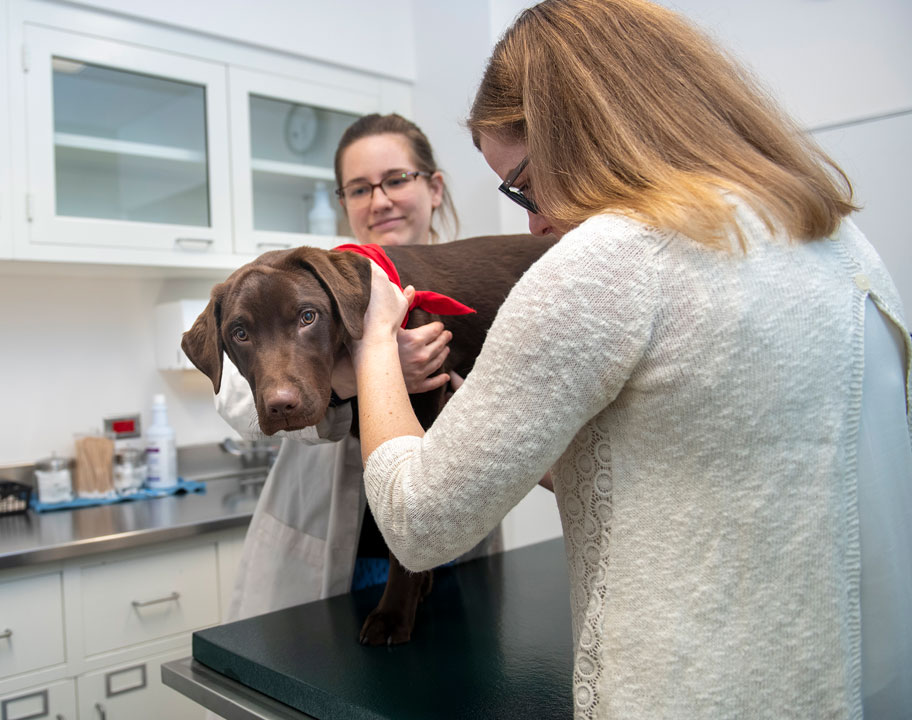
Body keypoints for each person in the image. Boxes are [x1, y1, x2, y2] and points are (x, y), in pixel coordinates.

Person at [351, 2, 911, 718]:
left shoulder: (610, 257)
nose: (533, 219)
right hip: (858, 682)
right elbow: (724, 467)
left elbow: (418, 525)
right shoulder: (830, 237)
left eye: (523, 180)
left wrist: (373, 341)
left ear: (582, 130)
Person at [215, 113, 500, 621]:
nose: (380, 200)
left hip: (454, 549)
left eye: (396, 180)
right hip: (331, 554)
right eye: (359, 189)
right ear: (343, 202)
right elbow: (239, 402)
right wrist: (367, 372)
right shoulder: (302, 282)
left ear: (434, 188)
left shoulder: (480, 287)